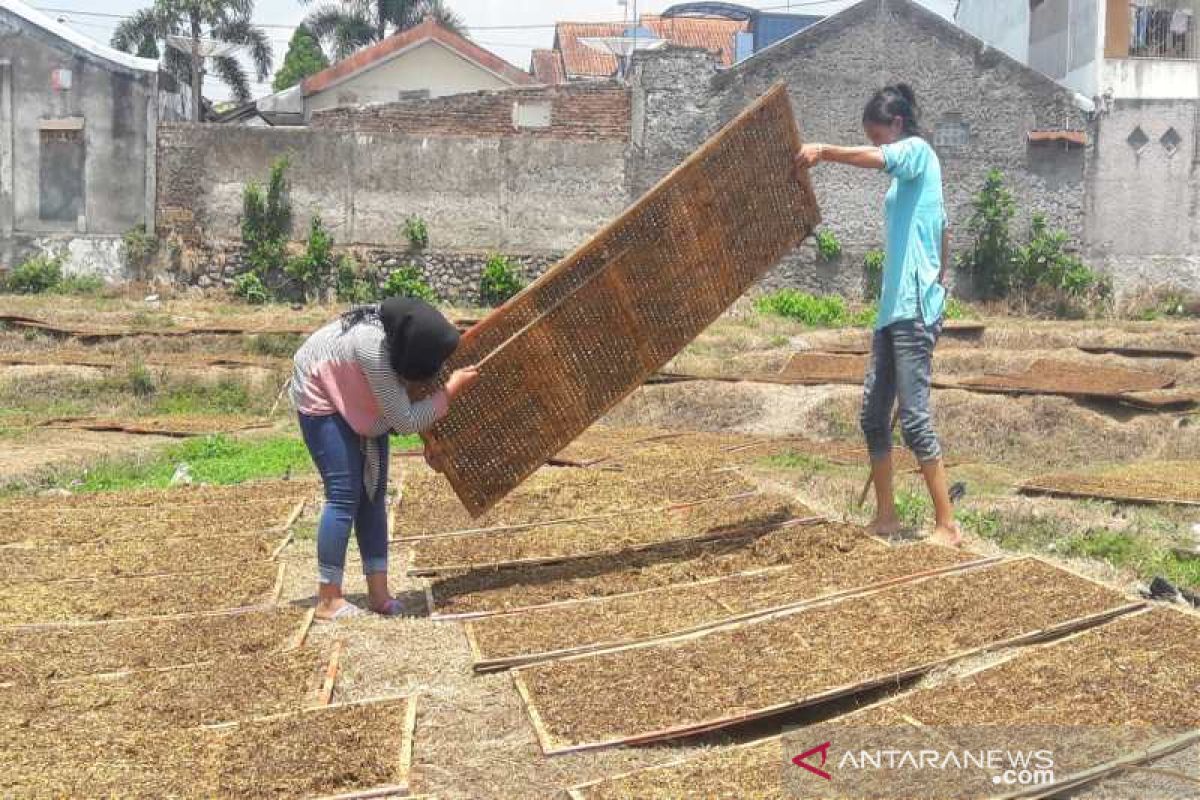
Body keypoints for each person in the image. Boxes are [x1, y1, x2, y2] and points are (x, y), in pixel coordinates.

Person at [794, 84, 961, 547]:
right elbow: (943, 230)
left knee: (913, 418)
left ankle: (947, 525)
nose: (875, 146)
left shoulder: (919, 153)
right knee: (872, 416)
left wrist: (824, 151)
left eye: (878, 136)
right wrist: (938, 275)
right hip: (893, 311)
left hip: (914, 308)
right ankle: (886, 517)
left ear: (898, 126)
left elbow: (882, 161)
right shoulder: (908, 179)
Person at [290, 297, 479, 620]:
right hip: (320, 391)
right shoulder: (373, 348)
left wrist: (431, 438)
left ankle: (379, 595)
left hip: (356, 392)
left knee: (374, 492)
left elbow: (404, 401)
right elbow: (404, 420)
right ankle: (328, 599)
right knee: (344, 493)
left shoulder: (400, 339)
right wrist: (449, 392)